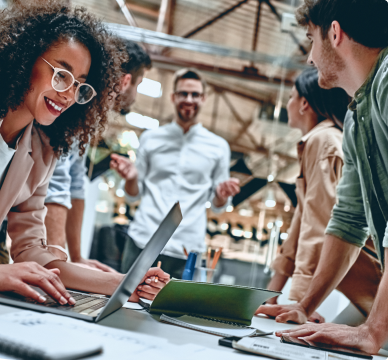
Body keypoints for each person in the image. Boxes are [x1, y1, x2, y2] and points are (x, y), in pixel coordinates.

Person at [0, 1, 168, 304]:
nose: (68, 94)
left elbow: (32, 249)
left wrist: (123, 283)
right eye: (61, 75)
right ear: (26, 57)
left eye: (80, 86)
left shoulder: (43, 149)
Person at [258, 0, 388, 354]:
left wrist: (372, 331)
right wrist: (305, 305)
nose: (310, 58)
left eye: (311, 39)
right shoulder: (356, 117)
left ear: (335, 33)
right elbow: (348, 220)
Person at [257, 68, 382, 323]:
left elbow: (319, 224)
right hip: (365, 290)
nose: (288, 103)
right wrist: (270, 294)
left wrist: (302, 303)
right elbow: (299, 227)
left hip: (376, 287)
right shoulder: (318, 141)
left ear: (304, 103)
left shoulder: (323, 141)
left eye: (291, 97)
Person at [110, 68, 240, 279]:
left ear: (204, 98)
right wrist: (132, 178)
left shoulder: (219, 147)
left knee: (174, 311)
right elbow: (133, 194)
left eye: (195, 94)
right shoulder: (151, 138)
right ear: (173, 97)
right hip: (143, 240)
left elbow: (218, 207)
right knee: (125, 304)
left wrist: (222, 195)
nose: (189, 99)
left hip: (187, 248)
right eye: (183, 93)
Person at [43, 40, 152, 272]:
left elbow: (75, 183)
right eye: (139, 84)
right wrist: (60, 266)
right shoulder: (76, 106)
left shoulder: (90, 118)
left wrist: (76, 257)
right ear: (125, 81)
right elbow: (57, 183)